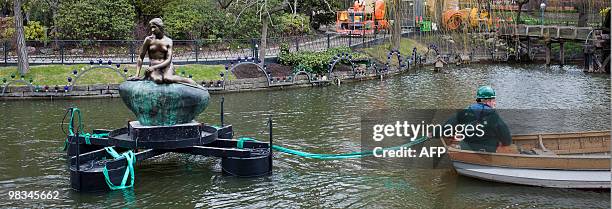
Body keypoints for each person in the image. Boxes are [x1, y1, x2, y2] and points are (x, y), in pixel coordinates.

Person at [128, 18, 200, 87]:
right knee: (158, 80)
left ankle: (187, 80)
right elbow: (141, 57)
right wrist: (137, 74)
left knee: (167, 78)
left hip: (166, 66)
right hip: (154, 67)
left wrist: (154, 67)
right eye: (151, 28)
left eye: (154, 27)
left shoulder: (168, 41)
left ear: (160, 27)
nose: (152, 30)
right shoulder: (148, 40)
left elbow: (169, 60)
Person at [445, 86, 513, 153]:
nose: (494, 103)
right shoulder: (493, 115)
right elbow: (507, 139)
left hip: (465, 149)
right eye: (493, 100)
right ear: (488, 101)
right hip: (487, 152)